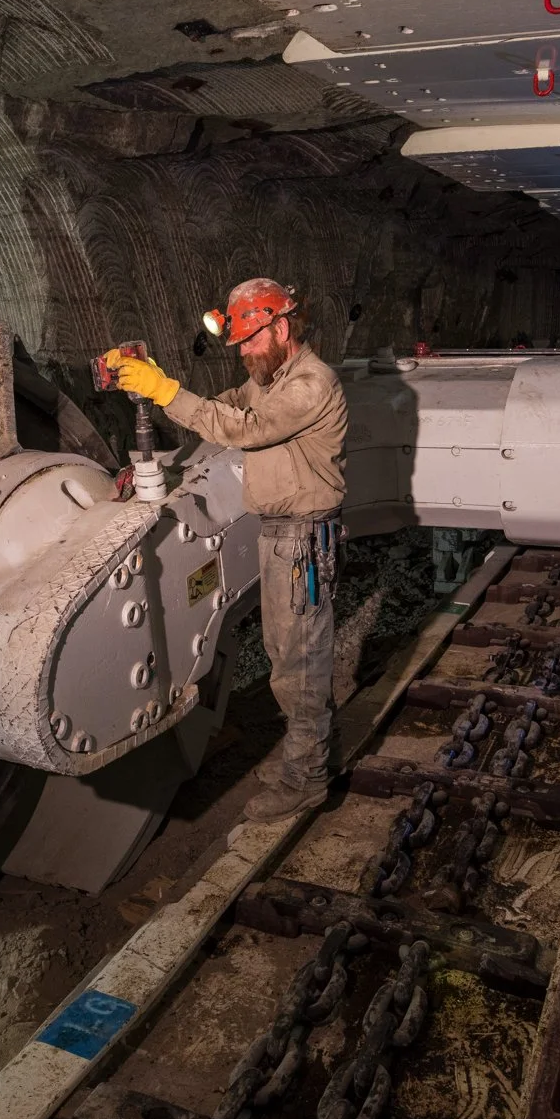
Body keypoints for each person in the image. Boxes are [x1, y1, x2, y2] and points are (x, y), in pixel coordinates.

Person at [103, 278, 348, 821]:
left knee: (299, 663)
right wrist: (162, 415)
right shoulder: (269, 377)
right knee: (288, 654)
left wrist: (165, 391)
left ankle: (307, 778)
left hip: (304, 542)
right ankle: (306, 756)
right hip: (281, 536)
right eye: (236, 344)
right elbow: (221, 411)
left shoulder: (310, 384)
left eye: (250, 341)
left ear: (281, 328)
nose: (242, 354)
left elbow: (246, 428)